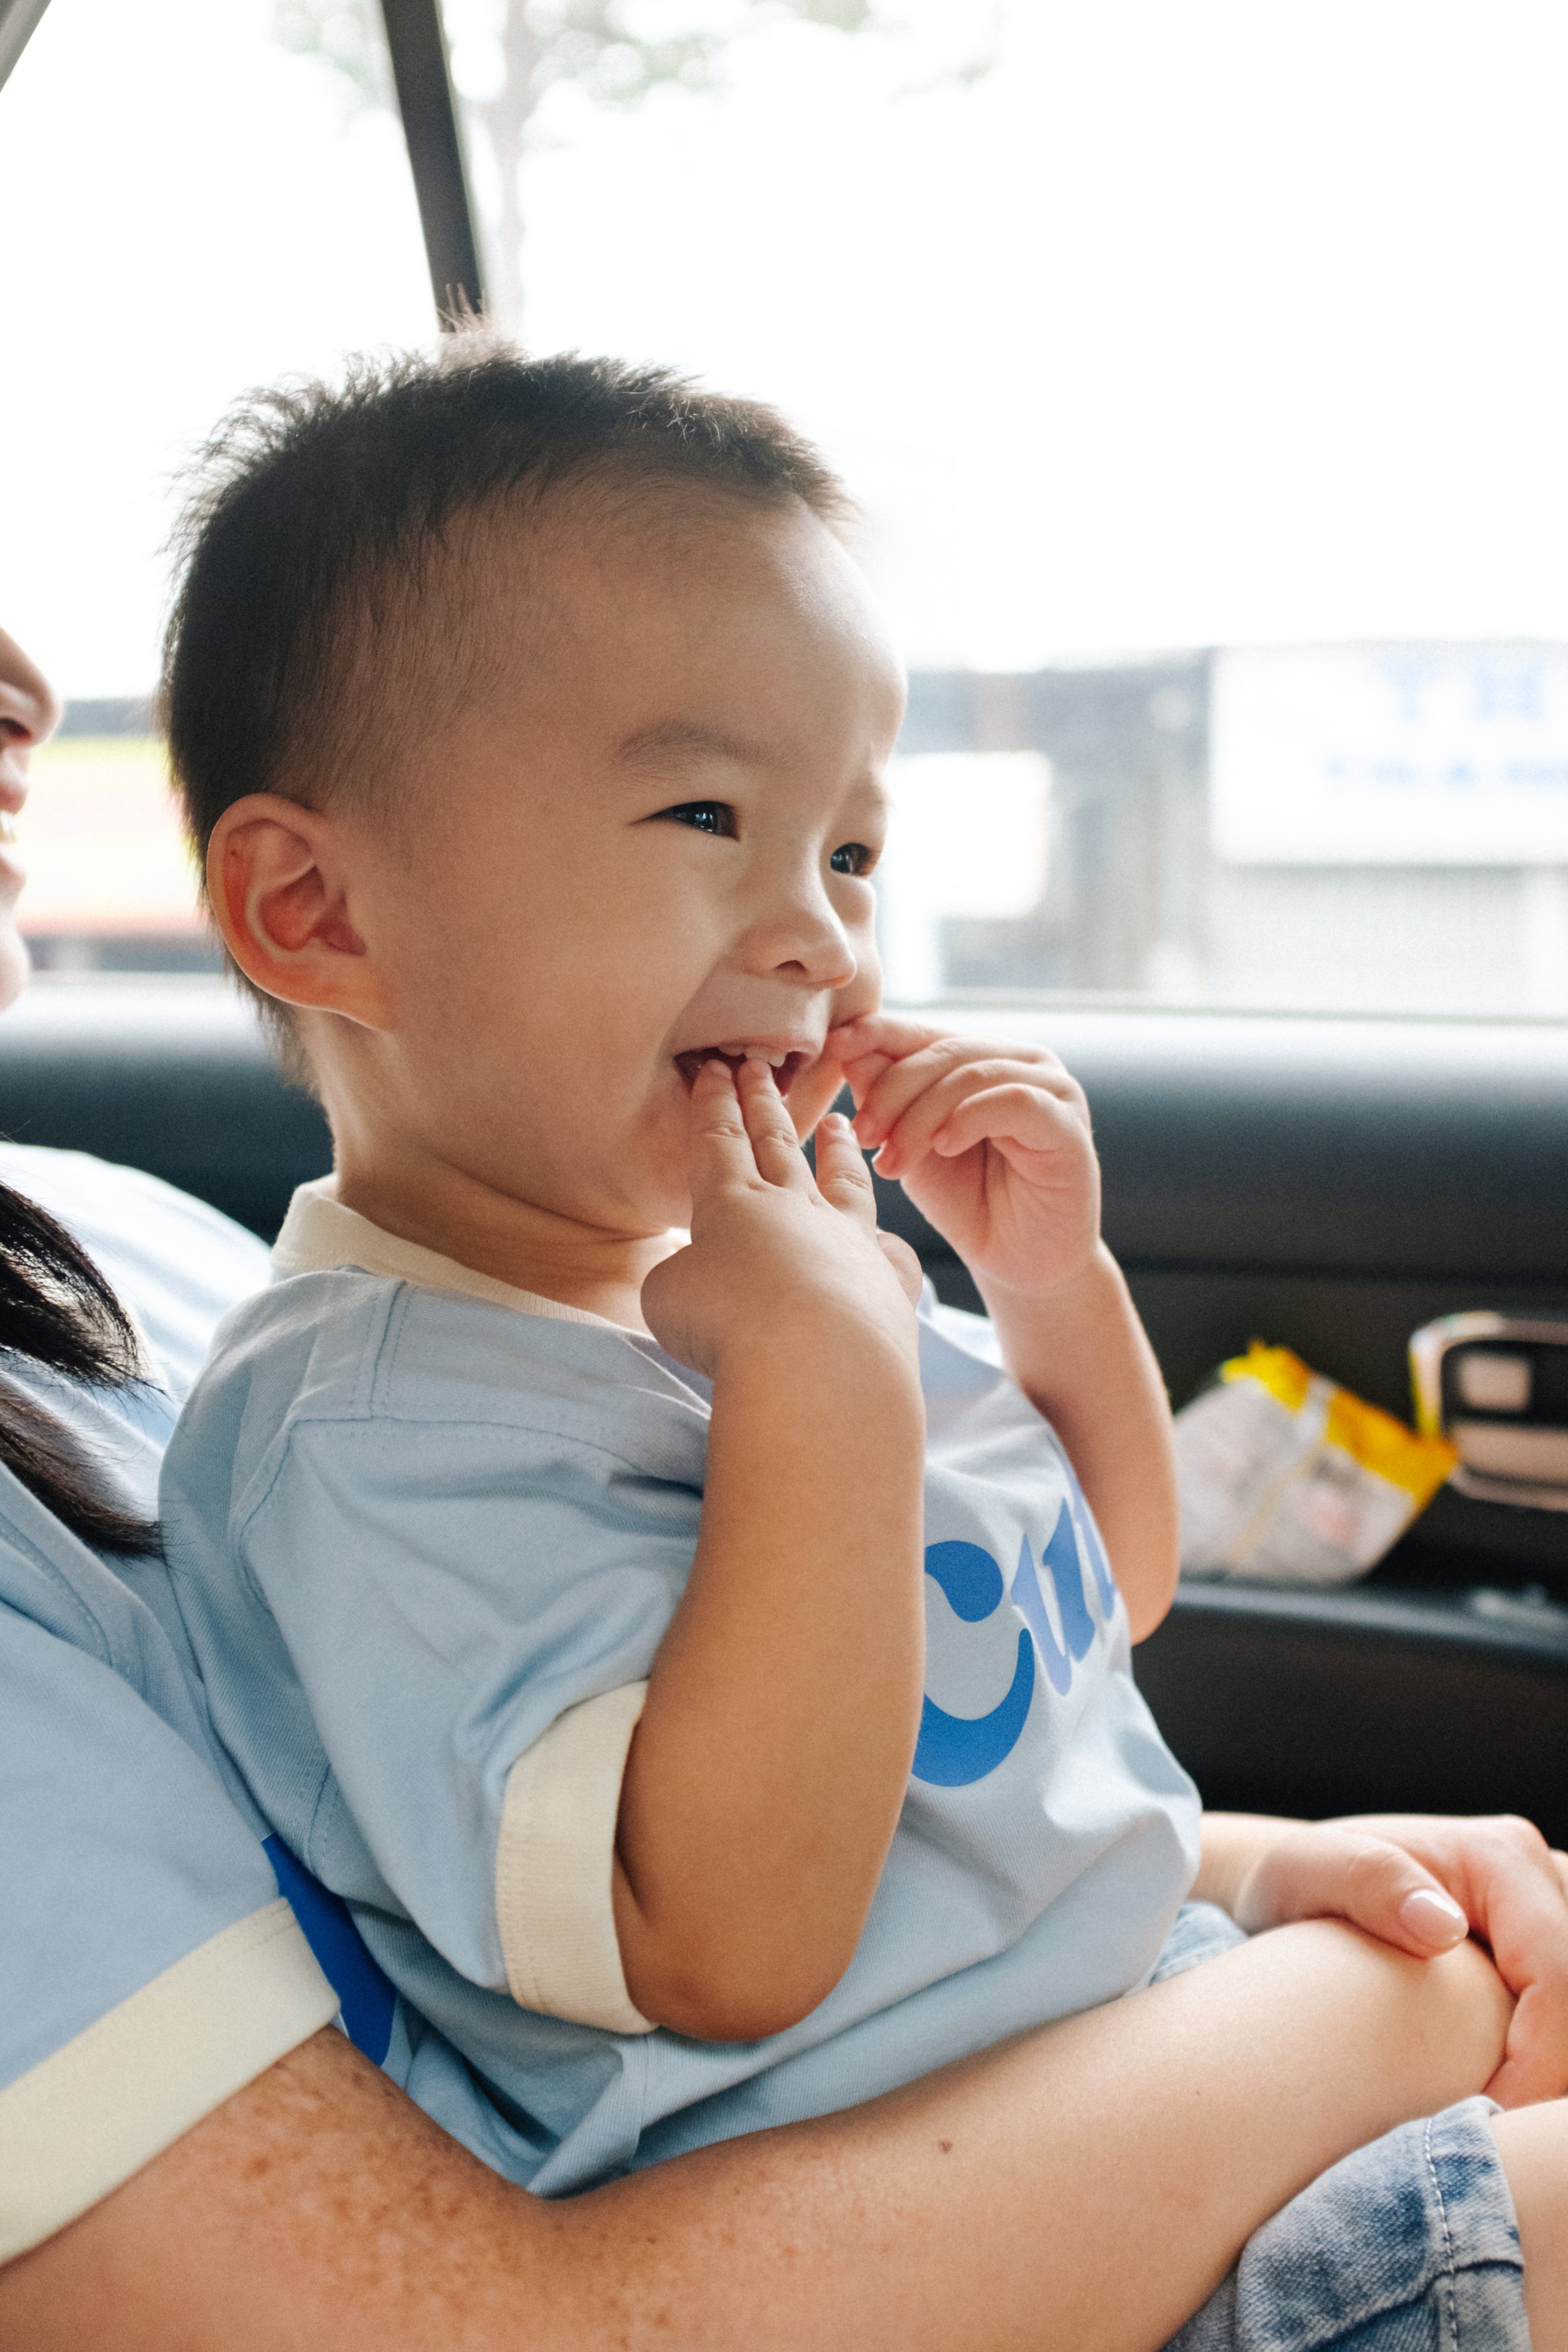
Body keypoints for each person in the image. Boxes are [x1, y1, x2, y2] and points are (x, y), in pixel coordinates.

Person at [124, 337, 1568, 2347]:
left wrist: (1043, 1288)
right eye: (709, 811)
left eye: (853, 849)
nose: (822, 935)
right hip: (1039, 2270)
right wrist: (822, 1380)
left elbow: (1101, 1592)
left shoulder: (757, 1269)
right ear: (319, 911)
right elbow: (724, 1939)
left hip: (1170, 2097)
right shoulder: (365, 1435)